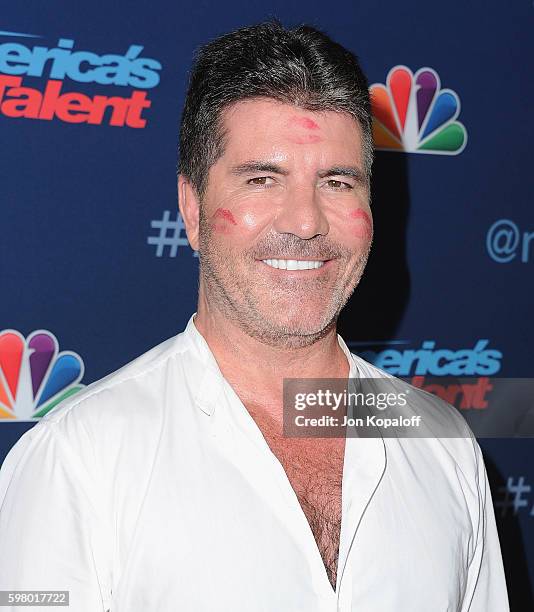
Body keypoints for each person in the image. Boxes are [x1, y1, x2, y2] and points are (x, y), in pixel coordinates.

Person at [0, 20, 509, 611]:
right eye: (262, 179)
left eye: (337, 181)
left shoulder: (442, 444)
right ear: (192, 209)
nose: (304, 221)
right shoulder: (78, 459)